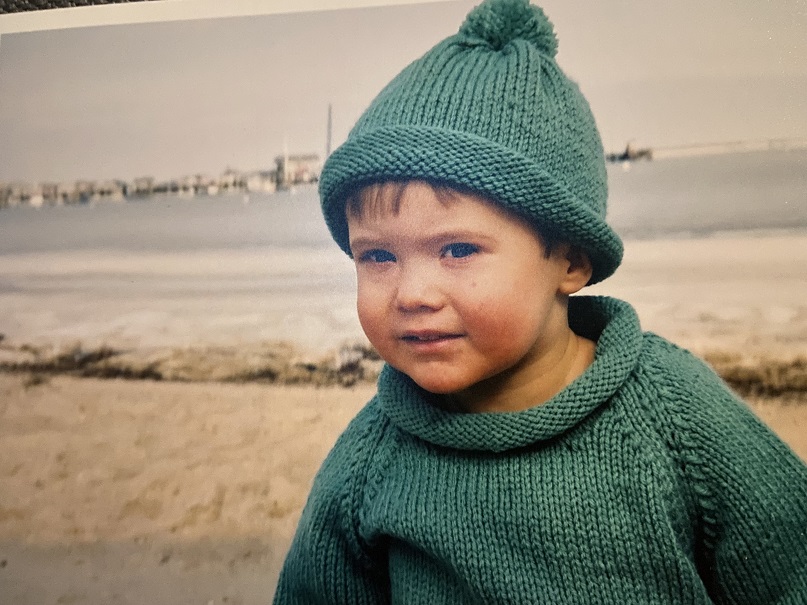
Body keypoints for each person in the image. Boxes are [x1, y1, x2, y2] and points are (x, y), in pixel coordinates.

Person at [272, 0, 807, 602]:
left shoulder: (673, 414)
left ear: (571, 261)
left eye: (456, 250)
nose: (412, 293)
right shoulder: (371, 463)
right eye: (377, 256)